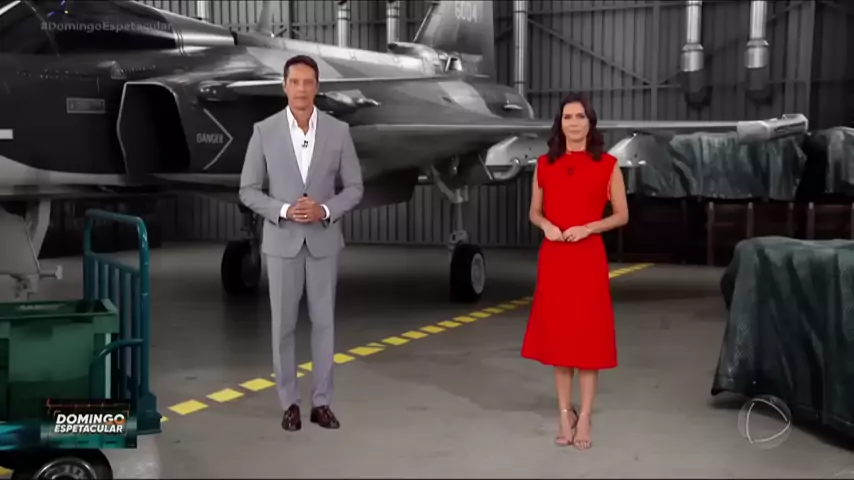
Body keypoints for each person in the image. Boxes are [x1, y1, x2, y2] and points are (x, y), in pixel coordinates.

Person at [239, 54, 364, 432]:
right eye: (295, 82)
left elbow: (355, 188)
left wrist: (324, 209)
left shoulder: (339, 132)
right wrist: (283, 210)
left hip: (324, 243)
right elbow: (247, 190)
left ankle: (321, 403)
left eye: (308, 82)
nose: (301, 89)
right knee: (283, 327)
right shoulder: (264, 131)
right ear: (284, 86)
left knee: (324, 325)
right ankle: (289, 403)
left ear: (317, 87)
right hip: (282, 243)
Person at [521, 93, 629, 450]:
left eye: (580, 116)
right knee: (560, 341)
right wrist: (546, 226)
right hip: (555, 259)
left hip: (588, 258)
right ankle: (564, 413)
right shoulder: (544, 165)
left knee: (588, 340)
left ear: (589, 122)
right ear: (560, 124)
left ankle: (585, 417)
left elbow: (622, 215)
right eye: (567, 117)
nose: (574, 123)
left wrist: (589, 228)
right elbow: (534, 211)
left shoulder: (608, 165)